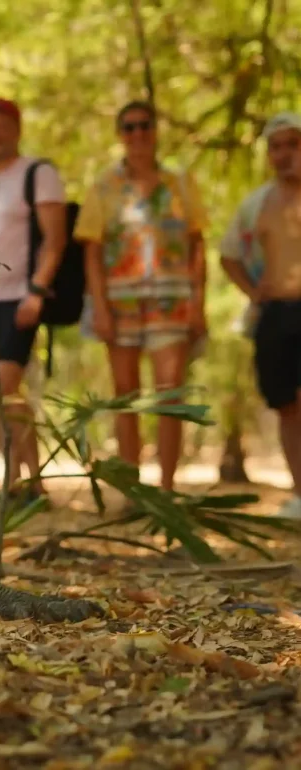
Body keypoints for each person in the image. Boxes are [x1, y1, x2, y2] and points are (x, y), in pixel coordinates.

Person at [75, 100, 207, 493]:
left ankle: (166, 489)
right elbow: (92, 252)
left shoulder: (180, 183)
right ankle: (132, 489)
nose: (138, 134)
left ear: (156, 130)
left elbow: (198, 244)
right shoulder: (103, 186)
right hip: (120, 306)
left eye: (144, 126)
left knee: (171, 397)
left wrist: (198, 304)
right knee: (125, 397)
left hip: (173, 303)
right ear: (121, 134)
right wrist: (99, 307)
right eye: (129, 127)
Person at [0, 98, 67, 503]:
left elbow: (55, 239)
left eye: (0, 127)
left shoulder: (38, 174)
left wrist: (37, 291)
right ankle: (33, 482)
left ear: (17, 128)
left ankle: (16, 480)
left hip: (21, 298)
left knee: (6, 389)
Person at [220, 111, 301, 519]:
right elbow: (228, 254)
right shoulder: (256, 205)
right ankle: (300, 493)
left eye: (294, 143)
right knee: (286, 403)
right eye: (277, 146)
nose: (286, 154)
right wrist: (253, 292)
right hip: (276, 313)